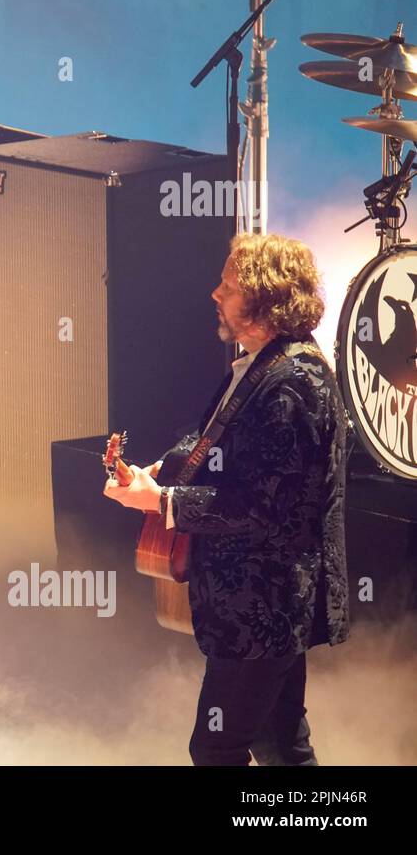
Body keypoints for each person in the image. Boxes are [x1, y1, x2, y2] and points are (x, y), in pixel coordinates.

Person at [105, 233, 349, 766]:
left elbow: (263, 506)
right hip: (260, 607)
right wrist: (158, 472)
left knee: (218, 748)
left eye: (229, 286)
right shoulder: (263, 364)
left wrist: (165, 501)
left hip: (266, 606)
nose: (215, 293)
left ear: (264, 298)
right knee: (279, 743)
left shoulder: (294, 386)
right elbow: (213, 443)